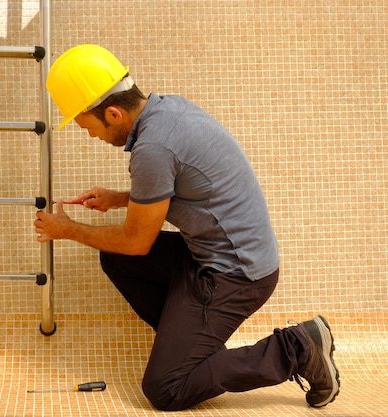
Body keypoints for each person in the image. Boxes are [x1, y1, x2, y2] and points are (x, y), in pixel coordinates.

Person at [34, 44, 340, 411]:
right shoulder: (168, 109)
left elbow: (136, 242)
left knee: (166, 388)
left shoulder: (153, 148)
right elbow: (187, 183)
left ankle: (298, 347)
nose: (91, 136)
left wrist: (68, 230)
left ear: (113, 113)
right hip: (217, 254)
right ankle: (195, 348)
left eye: (89, 126)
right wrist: (119, 198)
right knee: (115, 259)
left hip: (237, 274)